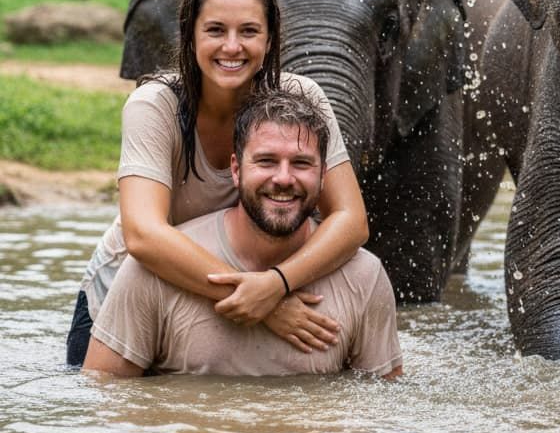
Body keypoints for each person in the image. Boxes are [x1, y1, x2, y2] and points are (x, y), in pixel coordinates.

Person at [66, 0, 369, 366]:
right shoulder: (155, 106)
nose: (232, 47)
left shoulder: (302, 98)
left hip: (247, 287)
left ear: (270, 39)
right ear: (190, 37)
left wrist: (277, 284)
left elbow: (351, 219)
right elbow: (143, 234)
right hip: (130, 292)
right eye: (215, 30)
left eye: (248, 31)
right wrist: (263, 300)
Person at [83, 89, 402, 376]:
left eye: (302, 163)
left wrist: (276, 285)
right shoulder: (153, 273)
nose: (283, 178)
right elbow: (106, 402)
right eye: (266, 161)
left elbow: (380, 413)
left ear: (324, 178)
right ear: (235, 170)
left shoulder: (364, 278)